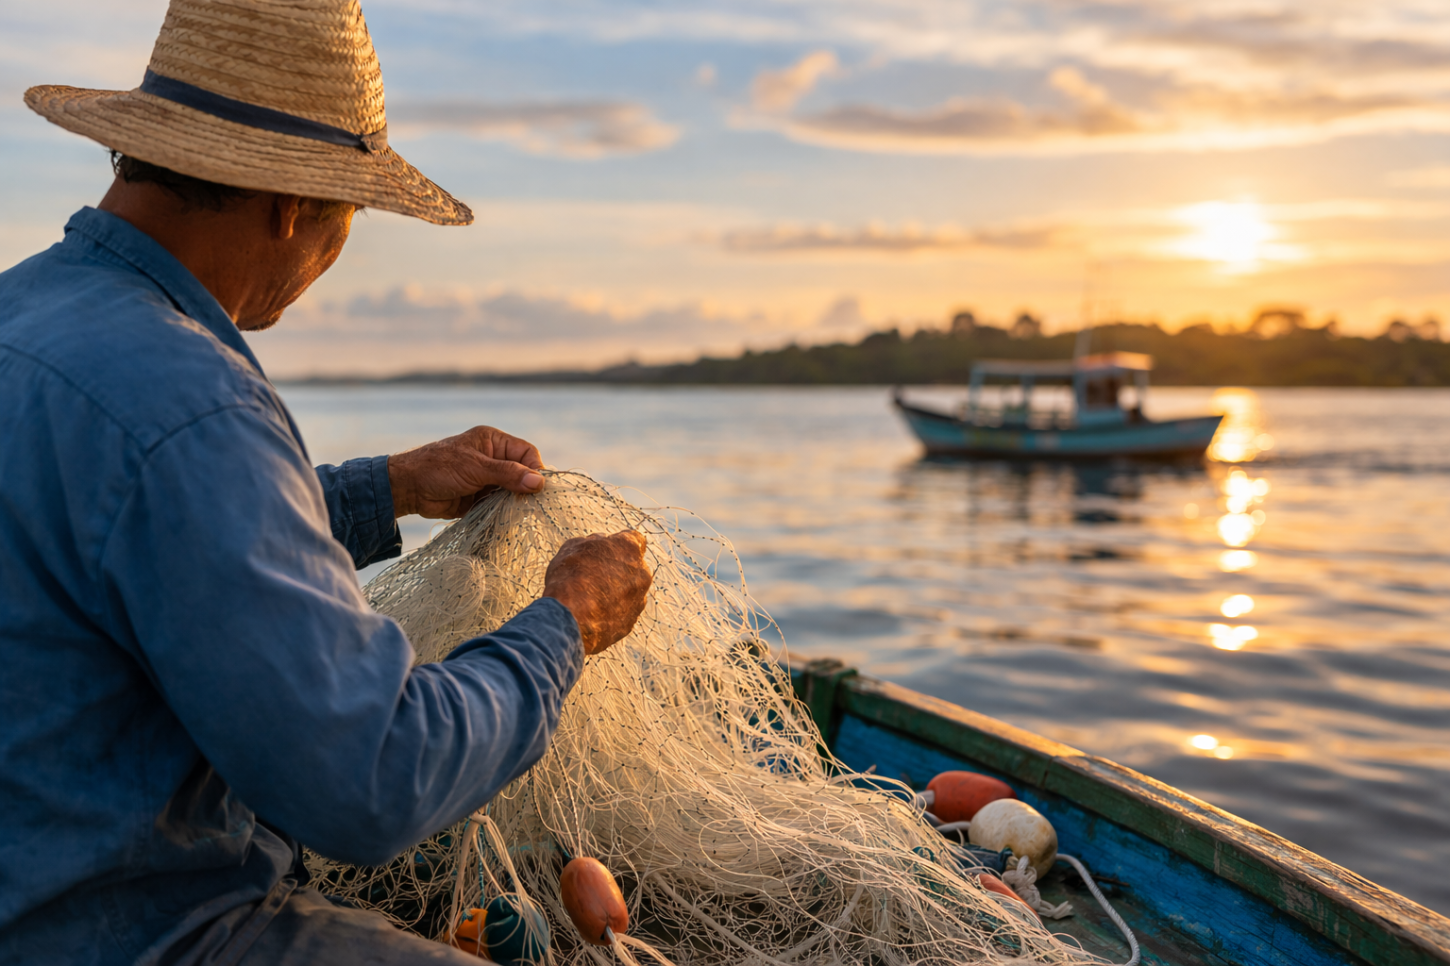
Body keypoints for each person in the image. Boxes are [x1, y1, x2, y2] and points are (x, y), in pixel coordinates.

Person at [0, 1, 652, 963]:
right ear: (295, 205)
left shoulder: (30, 315)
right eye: (353, 216)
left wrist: (390, 486)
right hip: (140, 930)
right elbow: (371, 779)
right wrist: (565, 625)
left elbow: (147, 547)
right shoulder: (194, 400)